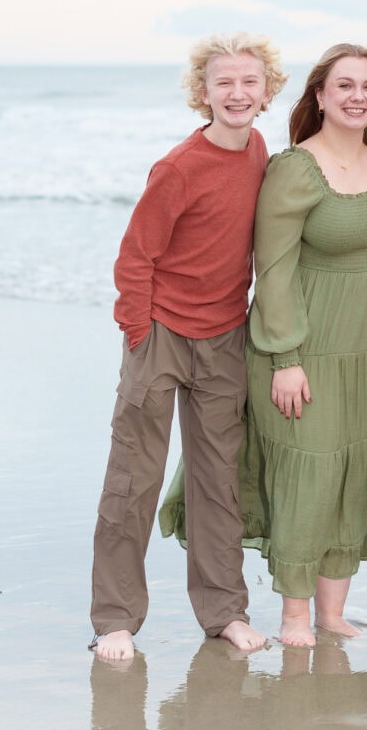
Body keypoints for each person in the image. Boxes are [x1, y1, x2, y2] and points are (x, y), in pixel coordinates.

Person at [160, 44, 367, 647]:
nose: (357, 97)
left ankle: (330, 613)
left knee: (354, 474)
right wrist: (285, 359)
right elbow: (271, 269)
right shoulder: (296, 167)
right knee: (308, 475)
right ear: (319, 96)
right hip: (305, 349)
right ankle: (294, 618)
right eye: (343, 85)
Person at [89, 32, 287, 661]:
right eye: (223, 82)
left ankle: (224, 610)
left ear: (267, 91)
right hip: (162, 335)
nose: (237, 92)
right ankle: (116, 619)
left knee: (217, 481)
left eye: (249, 82)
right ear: (203, 93)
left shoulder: (260, 151)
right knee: (135, 476)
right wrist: (140, 333)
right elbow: (135, 256)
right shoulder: (178, 167)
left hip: (227, 336)